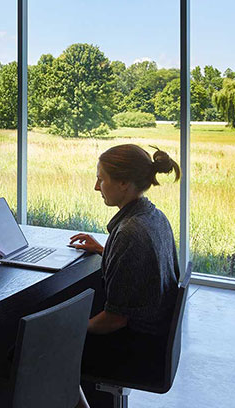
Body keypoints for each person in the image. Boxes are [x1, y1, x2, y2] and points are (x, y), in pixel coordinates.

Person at [68, 144, 181, 408]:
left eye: (101, 178)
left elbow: (115, 319)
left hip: (137, 348)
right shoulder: (152, 215)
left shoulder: (129, 233)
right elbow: (141, 266)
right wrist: (104, 249)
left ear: (123, 183)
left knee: (36, 348)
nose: (97, 187)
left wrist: (71, 330)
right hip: (155, 336)